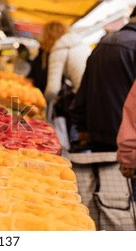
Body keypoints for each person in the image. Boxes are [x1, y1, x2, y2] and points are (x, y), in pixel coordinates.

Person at [68, 8, 136, 230]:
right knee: (127, 204)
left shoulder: (104, 43)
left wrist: (82, 124)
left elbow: (84, 90)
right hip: (128, 141)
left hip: (101, 135)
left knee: (104, 201)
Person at [28, 21, 67, 94]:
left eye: (44, 34)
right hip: (38, 93)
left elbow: (53, 85)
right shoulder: (43, 52)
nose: (42, 36)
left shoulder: (58, 53)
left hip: (47, 96)